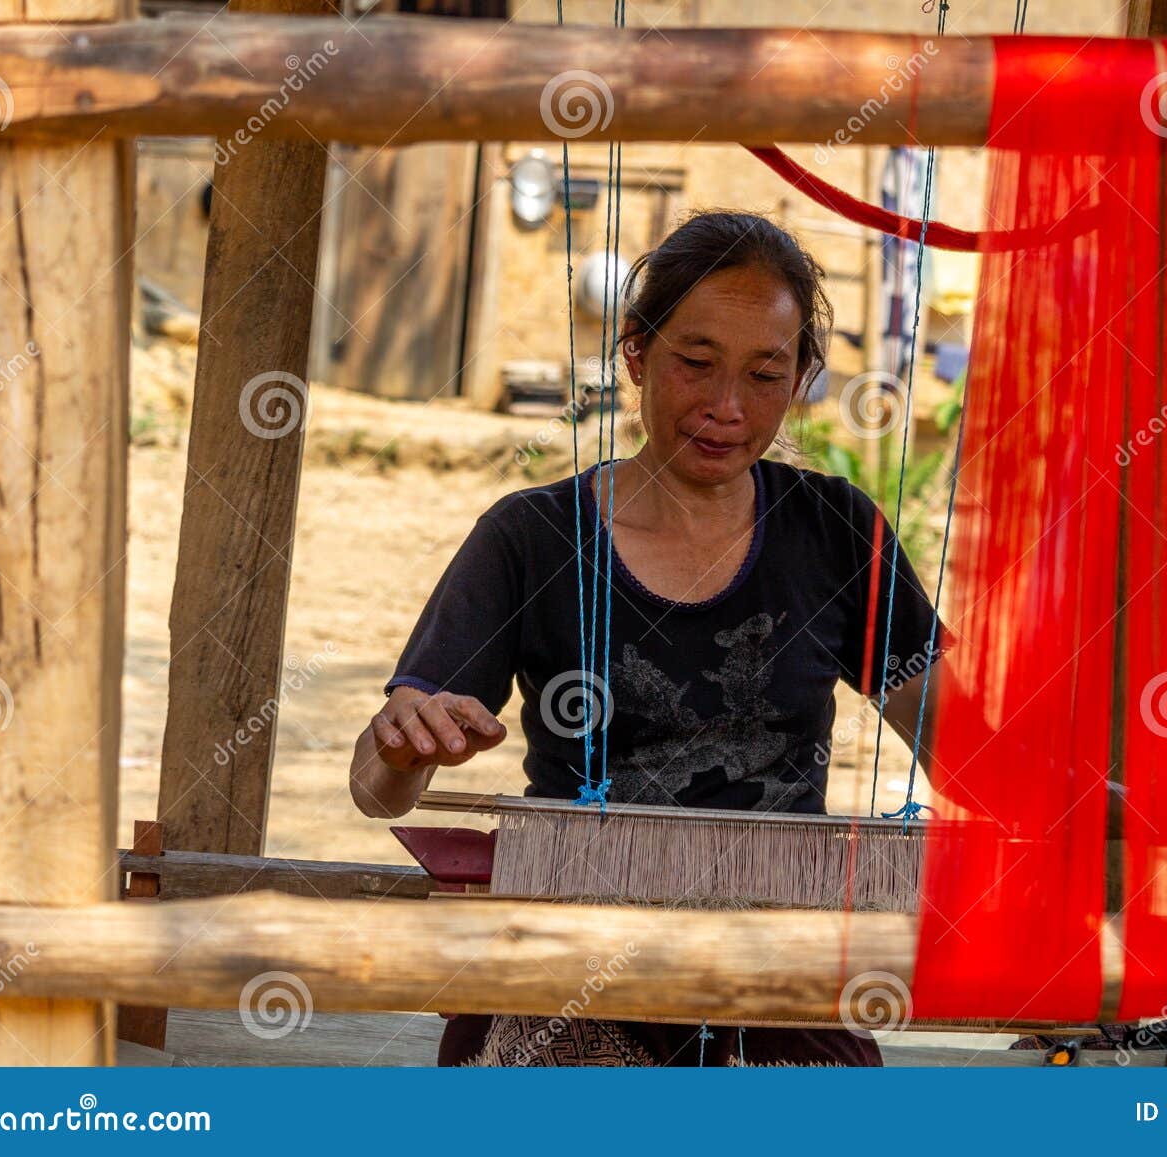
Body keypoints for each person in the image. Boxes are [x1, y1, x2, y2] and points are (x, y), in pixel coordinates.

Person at [350, 211, 947, 1066]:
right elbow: (377, 790)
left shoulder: (835, 532)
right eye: (696, 364)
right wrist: (404, 749)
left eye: (767, 374)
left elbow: (963, 742)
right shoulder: (533, 537)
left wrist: (1111, 805)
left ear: (803, 377)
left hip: (775, 970)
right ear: (635, 352)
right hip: (566, 958)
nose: (728, 407)